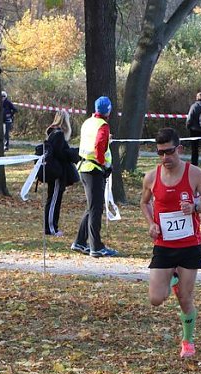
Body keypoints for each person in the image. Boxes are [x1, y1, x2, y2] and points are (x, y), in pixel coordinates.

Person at [140, 127, 201, 358]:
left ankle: (188, 341)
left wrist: (194, 207)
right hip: (164, 245)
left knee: (185, 298)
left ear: (180, 149)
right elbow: (144, 203)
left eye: (169, 152)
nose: (166, 158)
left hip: (189, 246)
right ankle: (172, 278)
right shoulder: (151, 177)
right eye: (161, 153)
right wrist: (151, 224)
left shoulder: (194, 174)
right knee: (155, 299)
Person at [72, 96, 117, 258]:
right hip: (94, 169)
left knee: (91, 207)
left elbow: (92, 142)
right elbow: (98, 147)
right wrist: (104, 164)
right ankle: (96, 246)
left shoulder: (88, 122)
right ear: (109, 110)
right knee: (96, 210)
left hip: (84, 167)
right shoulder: (103, 126)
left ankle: (79, 242)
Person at [41, 109, 80, 236]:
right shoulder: (58, 134)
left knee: (54, 199)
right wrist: (73, 153)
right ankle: (50, 228)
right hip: (57, 173)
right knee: (53, 200)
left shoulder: (54, 133)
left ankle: (52, 226)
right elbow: (60, 154)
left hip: (57, 171)